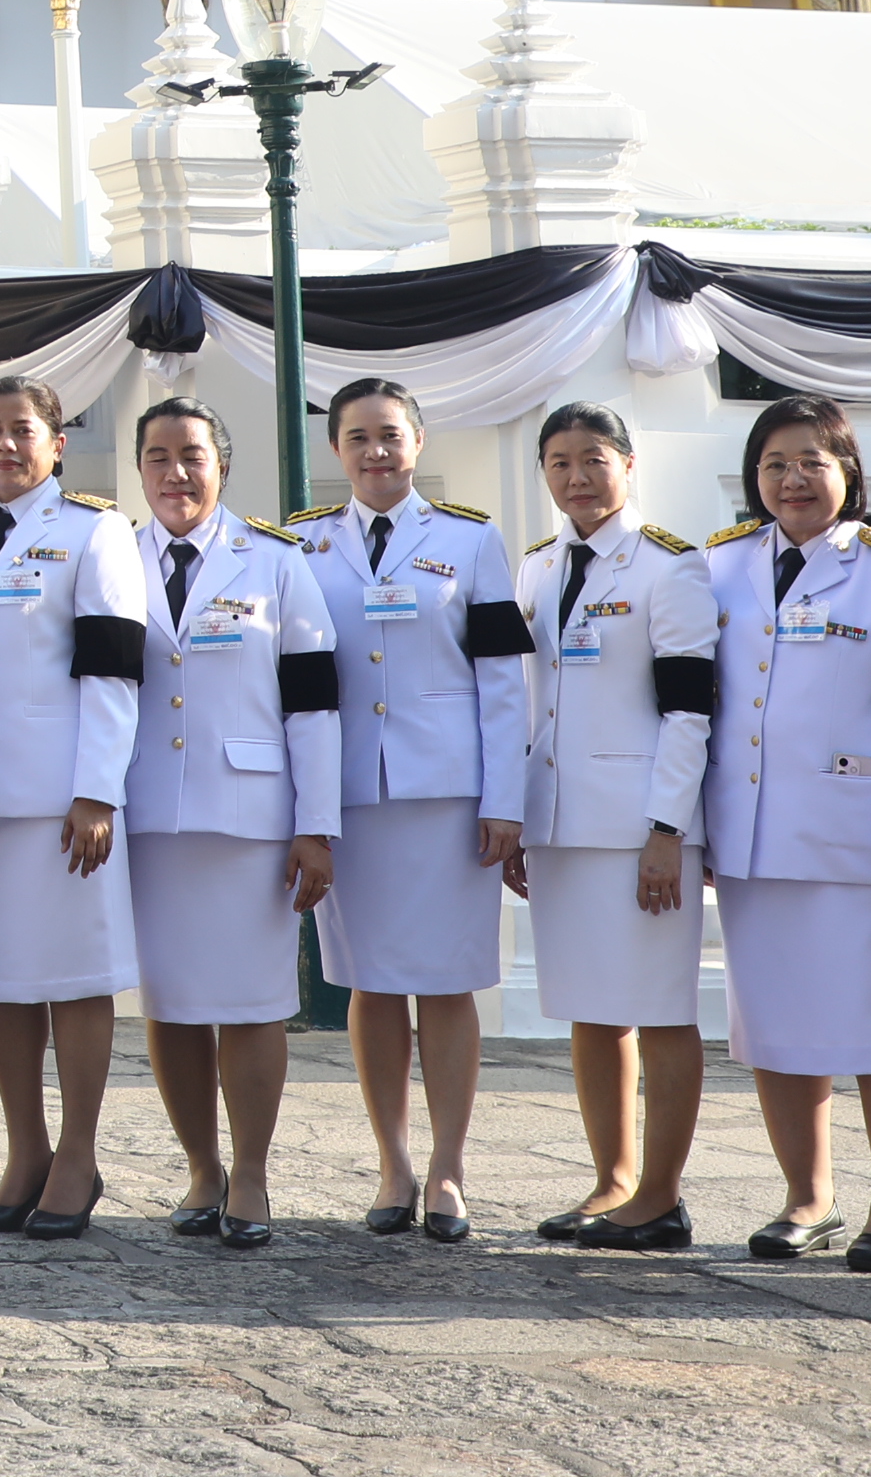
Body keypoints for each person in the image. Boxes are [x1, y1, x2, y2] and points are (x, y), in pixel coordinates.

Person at [703, 394, 871, 1272]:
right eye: (775, 464)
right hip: (753, 833)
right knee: (775, 1023)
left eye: (813, 461)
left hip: (868, 838)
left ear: (848, 472)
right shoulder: (720, 567)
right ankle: (807, 1198)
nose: (792, 479)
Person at [289, 376, 530, 1240]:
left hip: (448, 797)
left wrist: (508, 801)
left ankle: (449, 1169)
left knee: (448, 983)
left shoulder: (470, 542)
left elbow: (504, 682)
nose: (376, 452)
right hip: (350, 796)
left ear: (418, 443)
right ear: (337, 451)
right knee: (371, 983)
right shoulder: (302, 546)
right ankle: (393, 1163)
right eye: (357, 438)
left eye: (390, 435)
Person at [116, 394, 339, 1250]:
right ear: (140, 470)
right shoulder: (115, 557)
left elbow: (315, 703)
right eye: (160, 457)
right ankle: (201, 1168)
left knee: (251, 1003)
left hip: (250, 814)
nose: (176, 473)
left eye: (193, 456)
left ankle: (250, 1173)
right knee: (171, 1005)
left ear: (222, 465)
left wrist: (315, 824)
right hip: (147, 813)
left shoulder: (276, 562)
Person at [0, 374, 143, 1241]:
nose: (6, 446)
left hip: (63, 798)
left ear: (57, 443)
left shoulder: (95, 532)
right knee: (4, 982)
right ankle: (25, 1152)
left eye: (24, 431)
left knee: (74, 976)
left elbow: (114, 667)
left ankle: (80, 1156)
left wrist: (97, 787)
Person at [505, 400, 713, 1248]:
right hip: (560, 823)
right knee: (591, 1011)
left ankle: (661, 1194)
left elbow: (690, 710)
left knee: (659, 1009)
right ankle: (612, 1181)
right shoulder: (537, 568)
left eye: (594, 459)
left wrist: (668, 827)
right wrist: (520, 820)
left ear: (628, 465)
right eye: (558, 463)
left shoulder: (671, 566)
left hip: (639, 829)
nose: (577, 478)